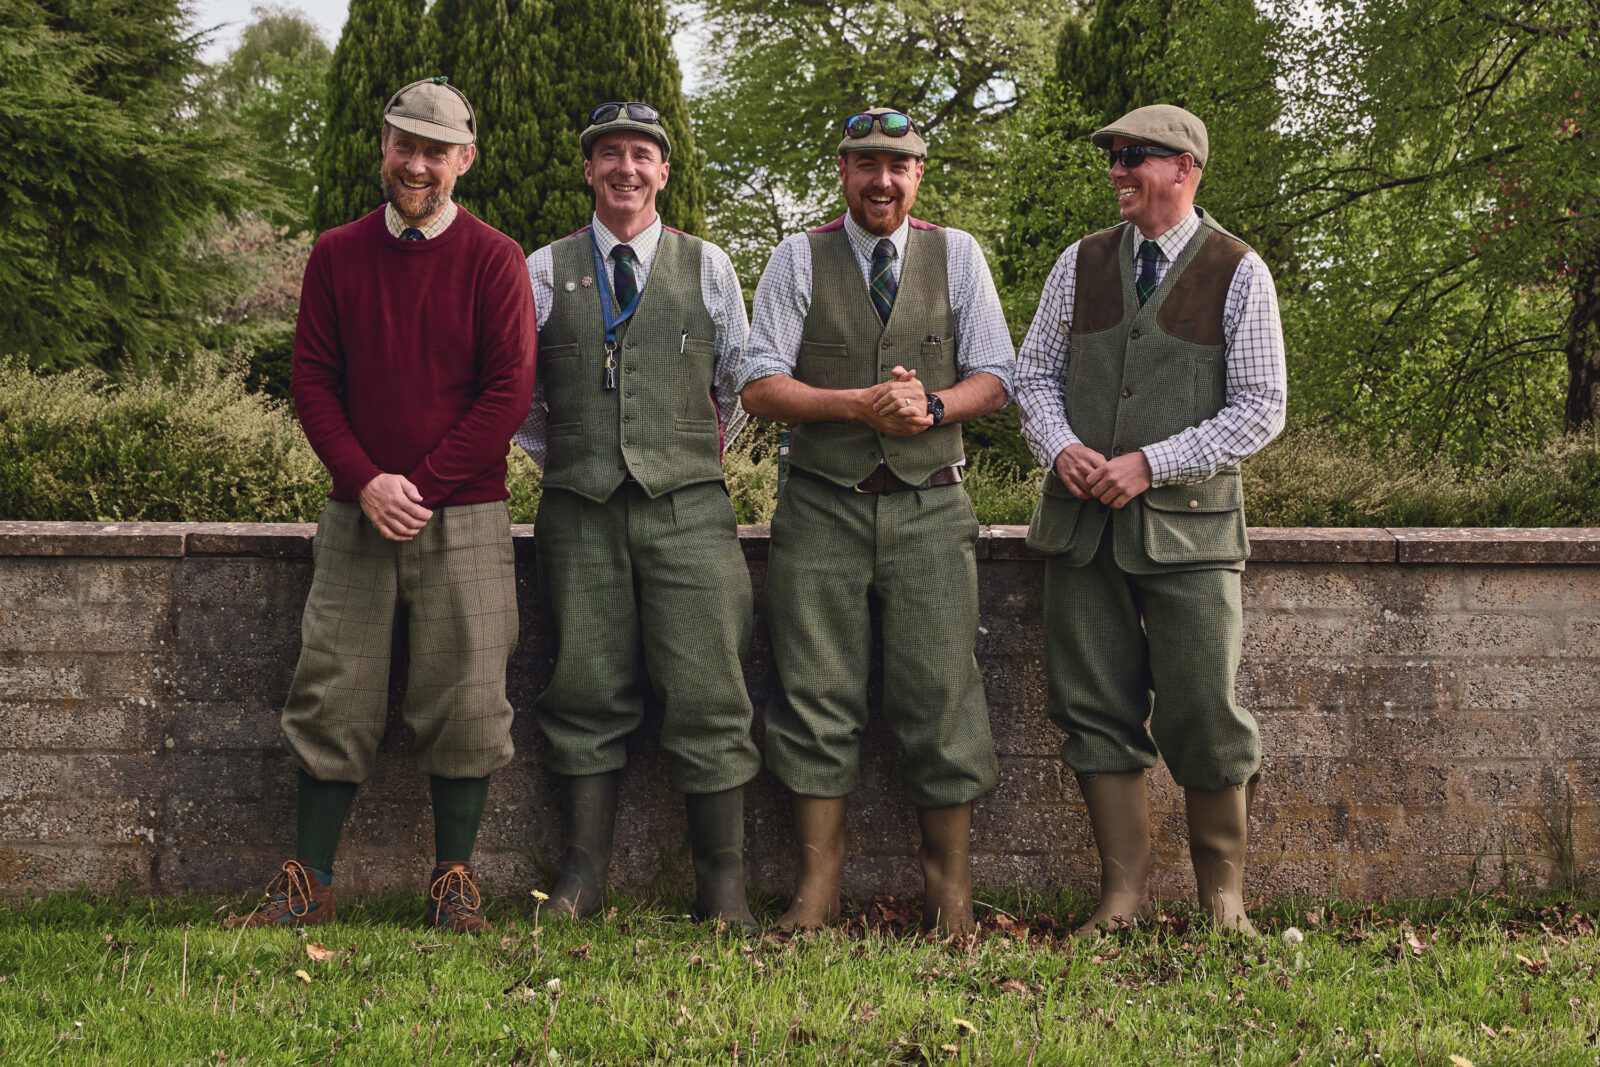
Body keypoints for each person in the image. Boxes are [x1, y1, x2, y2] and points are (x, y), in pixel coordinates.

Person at [224, 78, 537, 934]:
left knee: (468, 694)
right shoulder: (337, 253)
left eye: (436, 150)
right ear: (384, 148)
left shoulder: (496, 258)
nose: (418, 163)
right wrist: (366, 481)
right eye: (405, 144)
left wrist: (424, 485)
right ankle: (311, 883)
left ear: (463, 161)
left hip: (465, 513)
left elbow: (508, 393)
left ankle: (454, 882)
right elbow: (314, 382)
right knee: (332, 687)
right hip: (355, 512)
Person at [738, 107, 1014, 936]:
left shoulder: (955, 254)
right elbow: (758, 382)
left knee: (943, 691)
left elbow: (996, 375)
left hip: (932, 507)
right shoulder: (799, 256)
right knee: (813, 690)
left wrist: (928, 404)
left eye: (899, 166)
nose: (882, 181)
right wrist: (858, 404)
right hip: (822, 508)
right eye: (867, 164)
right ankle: (817, 884)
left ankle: (950, 893)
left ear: (919, 175)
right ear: (843, 169)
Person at [1014, 104, 1287, 936]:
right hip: (1081, 527)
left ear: (1184, 168)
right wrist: (1061, 448)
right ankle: (1122, 898)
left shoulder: (1239, 271)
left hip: (1192, 534)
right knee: (1091, 706)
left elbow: (1262, 408)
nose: (1117, 171)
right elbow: (1032, 379)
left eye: (1134, 157)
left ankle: (1224, 901)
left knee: (1204, 709)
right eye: (1114, 158)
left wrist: (1149, 462)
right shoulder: (1080, 262)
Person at [513, 101, 761, 928]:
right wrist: (575, 456)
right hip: (578, 513)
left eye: (641, 155)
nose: (625, 168)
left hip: (690, 509)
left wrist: (683, 450)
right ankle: (582, 874)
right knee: (582, 684)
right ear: (588, 169)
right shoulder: (543, 269)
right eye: (609, 154)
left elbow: (738, 381)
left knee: (710, 688)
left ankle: (721, 883)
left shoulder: (709, 265)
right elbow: (522, 400)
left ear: (664, 171)